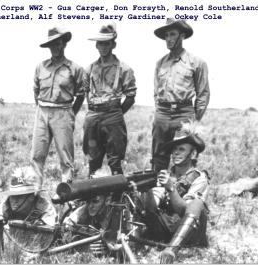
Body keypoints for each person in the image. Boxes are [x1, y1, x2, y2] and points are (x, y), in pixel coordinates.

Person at [142, 124, 210, 264]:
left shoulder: (199, 178)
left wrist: (171, 189)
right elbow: (152, 208)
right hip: (167, 230)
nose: (175, 153)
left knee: (197, 203)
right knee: (140, 196)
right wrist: (147, 191)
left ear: (193, 154)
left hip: (190, 234)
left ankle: (171, 250)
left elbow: (185, 210)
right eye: (174, 149)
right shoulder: (167, 174)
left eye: (181, 149)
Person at [151, 19, 210, 173]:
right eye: (166, 35)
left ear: (182, 36)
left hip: (184, 113)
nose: (169, 39)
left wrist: (194, 120)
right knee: (159, 156)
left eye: (173, 34)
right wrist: (159, 113)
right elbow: (156, 91)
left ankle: (183, 190)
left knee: (185, 155)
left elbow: (203, 93)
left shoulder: (197, 62)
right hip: (163, 114)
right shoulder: (160, 63)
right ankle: (157, 191)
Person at [31, 27, 85, 187]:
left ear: (64, 44)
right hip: (42, 112)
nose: (55, 47)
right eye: (52, 45)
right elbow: (36, 90)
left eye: (58, 43)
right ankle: (34, 192)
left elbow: (81, 94)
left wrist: (70, 113)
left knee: (66, 158)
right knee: (37, 155)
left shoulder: (74, 68)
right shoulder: (41, 67)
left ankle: (66, 194)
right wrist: (42, 109)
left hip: (63, 112)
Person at [83, 24, 137, 177]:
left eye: (107, 43)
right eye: (100, 43)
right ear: (96, 45)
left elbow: (130, 97)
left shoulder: (124, 69)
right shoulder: (89, 69)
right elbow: (86, 93)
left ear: (113, 44)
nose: (103, 47)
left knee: (115, 161)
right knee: (93, 160)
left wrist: (116, 112)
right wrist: (95, 110)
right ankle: (93, 198)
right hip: (93, 117)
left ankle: (118, 197)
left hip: (113, 116)